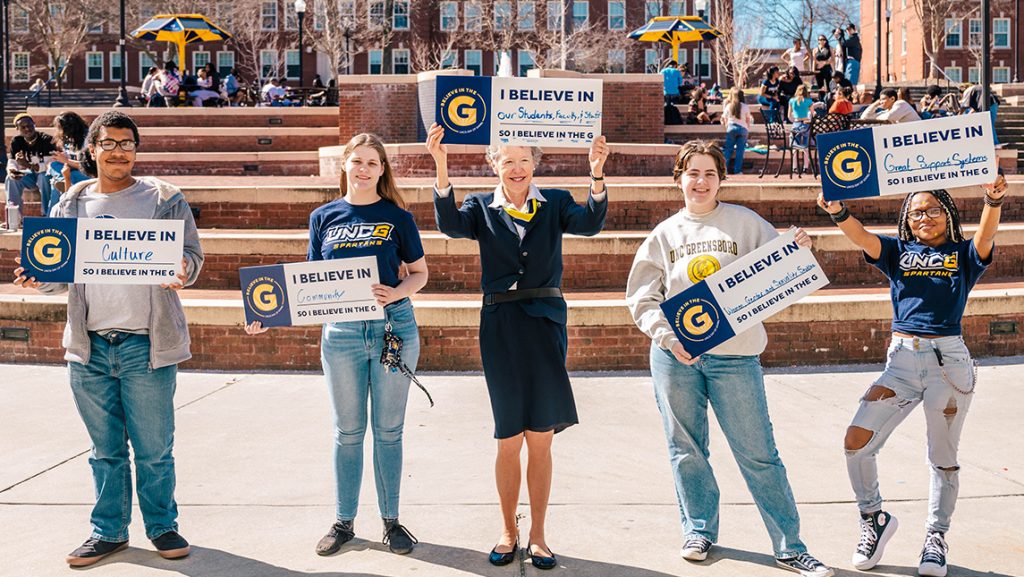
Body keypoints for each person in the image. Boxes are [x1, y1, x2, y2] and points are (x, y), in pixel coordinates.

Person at [626, 140, 833, 577]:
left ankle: (790, 546)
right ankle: (698, 529)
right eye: (692, 173)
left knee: (759, 453)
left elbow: (780, 275)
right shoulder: (664, 234)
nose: (700, 182)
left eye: (709, 174)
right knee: (686, 449)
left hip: (735, 357)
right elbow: (643, 298)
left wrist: (799, 251)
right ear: (678, 178)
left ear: (722, 179)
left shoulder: (744, 222)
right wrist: (666, 337)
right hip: (676, 357)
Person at [12, 110, 203, 567]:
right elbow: (60, 274)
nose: (119, 152)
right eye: (110, 144)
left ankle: (162, 526)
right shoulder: (72, 202)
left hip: (146, 344)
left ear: (136, 150)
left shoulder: (164, 198)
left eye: (127, 144)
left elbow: (192, 256)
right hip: (90, 344)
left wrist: (183, 271)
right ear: (92, 149)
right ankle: (109, 532)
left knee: (155, 450)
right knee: (105, 451)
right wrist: (39, 278)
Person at [427, 122, 609, 570]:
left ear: (535, 165)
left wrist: (597, 174)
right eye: (506, 160)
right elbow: (450, 226)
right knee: (509, 437)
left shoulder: (558, 202)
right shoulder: (479, 207)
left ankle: (540, 536)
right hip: (501, 326)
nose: (516, 168)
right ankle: (508, 530)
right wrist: (441, 165)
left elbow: (590, 224)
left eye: (524, 160)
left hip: (545, 323)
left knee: (541, 436)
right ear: (493, 165)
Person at [245, 133, 428, 557]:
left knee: (388, 431)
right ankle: (344, 522)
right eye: (357, 161)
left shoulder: (398, 216)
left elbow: (419, 273)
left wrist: (396, 293)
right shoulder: (323, 216)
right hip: (341, 333)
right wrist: (266, 316)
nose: (364, 169)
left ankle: (391, 522)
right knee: (348, 432)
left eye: (372, 162)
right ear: (344, 165)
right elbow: (307, 285)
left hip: (392, 330)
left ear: (382, 170)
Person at [816, 173, 1007, 577]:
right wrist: (838, 211)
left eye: (934, 210)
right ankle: (873, 519)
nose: (925, 217)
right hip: (901, 362)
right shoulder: (896, 251)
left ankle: (936, 537)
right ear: (906, 220)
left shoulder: (963, 253)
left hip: (948, 363)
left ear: (949, 215)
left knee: (942, 457)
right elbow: (863, 237)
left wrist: (992, 200)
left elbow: (986, 238)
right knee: (856, 440)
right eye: (916, 212)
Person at [4, 113, 57, 225]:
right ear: (17, 129)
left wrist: (26, 164)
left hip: (45, 174)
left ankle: (46, 215)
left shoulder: (46, 140)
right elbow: (12, 161)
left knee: (43, 177)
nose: (27, 129)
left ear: (34, 124)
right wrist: (12, 170)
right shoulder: (17, 141)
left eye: (29, 125)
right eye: (23, 127)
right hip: (31, 175)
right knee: (11, 179)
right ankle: (14, 217)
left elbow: (48, 166)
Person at [46, 111, 90, 206]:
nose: (60, 132)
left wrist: (66, 161)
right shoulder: (68, 139)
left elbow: (88, 166)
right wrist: (60, 158)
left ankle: (49, 218)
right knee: (53, 164)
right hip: (71, 171)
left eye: (62, 128)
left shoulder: (87, 139)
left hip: (86, 174)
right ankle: (61, 180)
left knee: (55, 187)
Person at [721, 88, 754, 175]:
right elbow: (748, 119)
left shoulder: (729, 106)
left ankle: (724, 170)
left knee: (728, 150)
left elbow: (724, 118)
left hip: (731, 128)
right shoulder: (745, 106)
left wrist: (726, 126)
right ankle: (737, 170)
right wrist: (747, 129)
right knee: (740, 151)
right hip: (743, 129)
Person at [789, 84, 813, 171]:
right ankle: (805, 167)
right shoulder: (809, 101)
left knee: (794, 146)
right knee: (806, 146)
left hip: (796, 123)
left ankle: (794, 167)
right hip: (806, 124)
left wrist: (794, 121)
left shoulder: (792, 101)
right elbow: (812, 114)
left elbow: (789, 116)